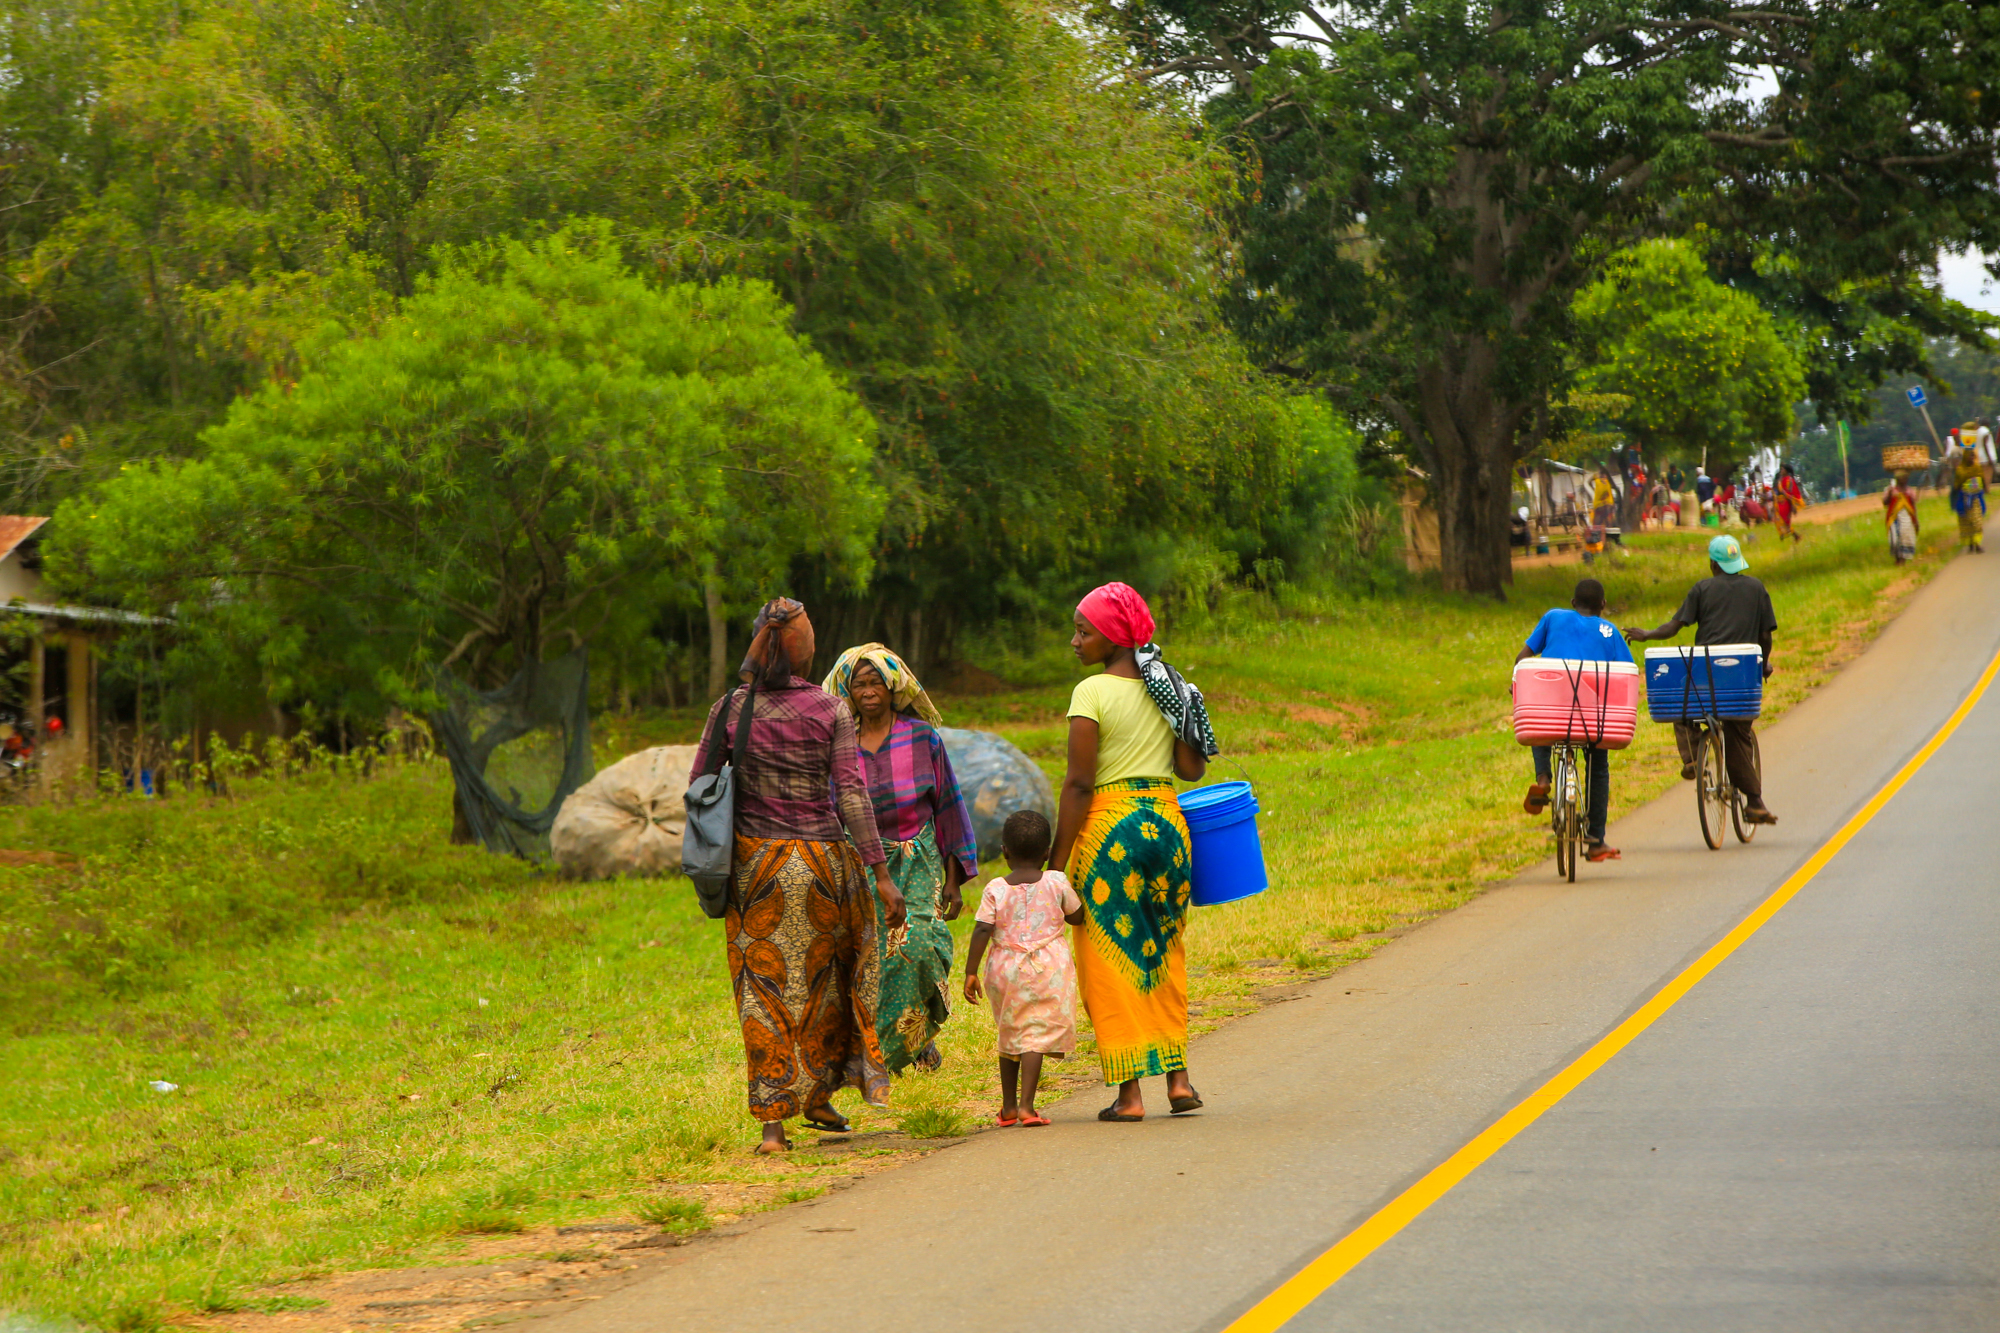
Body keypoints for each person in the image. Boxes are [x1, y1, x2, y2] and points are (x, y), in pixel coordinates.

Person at [691, 597, 906, 1155]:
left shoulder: (730, 709)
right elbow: (853, 796)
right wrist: (881, 875)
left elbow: (699, 785)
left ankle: (773, 1127)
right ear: (807, 650)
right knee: (826, 986)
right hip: (822, 869)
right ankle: (818, 1095)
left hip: (755, 869)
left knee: (763, 990)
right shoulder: (828, 710)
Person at [1050, 581, 1215, 1122]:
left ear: (1115, 637)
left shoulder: (1091, 693)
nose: (1074, 641)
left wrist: (1055, 867)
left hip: (1110, 831)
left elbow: (1078, 784)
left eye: (1083, 631)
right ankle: (1180, 1080)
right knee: (1163, 951)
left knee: (1108, 959)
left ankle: (1129, 1095)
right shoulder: (1170, 687)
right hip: (1167, 829)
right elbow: (1192, 770)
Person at [822, 643, 979, 1075]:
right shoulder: (840, 746)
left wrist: (953, 878)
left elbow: (948, 805)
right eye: (860, 683)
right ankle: (905, 1049)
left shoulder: (922, 738)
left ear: (894, 689)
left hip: (920, 858)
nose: (869, 691)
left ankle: (903, 1044)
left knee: (922, 948)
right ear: (848, 692)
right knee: (876, 960)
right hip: (862, 865)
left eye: (877, 682)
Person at [1623, 534, 1779, 826]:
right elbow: (1764, 636)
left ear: (1712, 564)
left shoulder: (1702, 589)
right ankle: (1755, 802)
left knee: (1681, 706)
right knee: (1738, 732)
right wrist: (1762, 664)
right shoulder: (1757, 588)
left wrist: (1647, 635)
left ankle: (1693, 759)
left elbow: (1674, 626)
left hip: (1706, 675)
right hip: (1739, 676)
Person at [963, 809, 1084, 1128]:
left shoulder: (995, 888)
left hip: (1006, 969)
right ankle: (1028, 1106)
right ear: (1047, 853)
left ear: (1004, 852)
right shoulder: (1056, 882)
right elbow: (1076, 916)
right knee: (1035, 1035)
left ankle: (1008, 1108)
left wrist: (970, 971)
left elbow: (981, 930)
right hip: (1049, 968)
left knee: (1012, 1030)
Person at [1518, 578, 1627, 862]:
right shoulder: (1610, 630)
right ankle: (1595, 841)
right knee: (1598, 766)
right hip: (1592, 717)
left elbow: (1524, 656)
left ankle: (1543, 779)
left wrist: (1518, 682)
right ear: (1603, 605)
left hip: (1555, 709)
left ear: (1572, 603)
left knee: (1539, 720)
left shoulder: (1553, 617)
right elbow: (1625, 673)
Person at [1949, 438, 1986, 554]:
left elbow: (1982, 480)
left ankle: (1977, 544)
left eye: (1973, 456)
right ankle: (1971, 544)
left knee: (1977, 522)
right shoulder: (1960, 470)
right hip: (1964, 499)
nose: (1972, 458)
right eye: (1969, 456)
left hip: (1975, 499)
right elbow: (1956, 486)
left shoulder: (1977, 468)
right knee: (1966, 523)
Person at [1884, 472, 1920, 564]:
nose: (1904, 480)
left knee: (1905, 537)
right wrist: (1889, 494)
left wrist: (1916, 521)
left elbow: (1913, 506)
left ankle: (1902, 559)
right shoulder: (1891, 490)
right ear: (1897, 479)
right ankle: (1898, 558)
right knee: (1895, 539)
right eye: (1902, 478)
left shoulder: (1910, 491)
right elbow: (1885, 502)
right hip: (1894, 518)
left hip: (1907, 519)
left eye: (1905, 478)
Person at [1773, 464, 1806, 543]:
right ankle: (1794, 536)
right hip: (1779, 502)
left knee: (1785, 521)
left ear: (1786, 471)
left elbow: (1790, 494)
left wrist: (1792, 506)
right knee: (1778, 519)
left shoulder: (1789, 480)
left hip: (1786, 503)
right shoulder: (1780, 480)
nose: (1781, 471)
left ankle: (1792, 536)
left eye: (1783, 469)